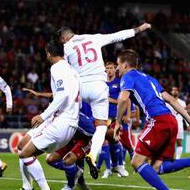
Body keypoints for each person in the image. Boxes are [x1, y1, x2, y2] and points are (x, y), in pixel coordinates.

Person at [57, 23, 152, 179]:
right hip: (98, 88)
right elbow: (118, 35)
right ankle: (93, 154)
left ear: (64, 38)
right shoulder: (94, 38)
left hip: (80, 88)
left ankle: (71, 153)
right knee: (101, 126)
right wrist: (139, 29)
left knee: (74, 119)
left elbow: (64, 70)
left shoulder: (66, 48)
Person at [4, 39, 80, 190]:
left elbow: (62, 96)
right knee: (22, 146)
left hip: (62, 122)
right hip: (64, 119)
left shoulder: (57, 68)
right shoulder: (72, 70)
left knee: (25, 154)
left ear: (48, 54)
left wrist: (43, 115)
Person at [114, 49, 190, 190]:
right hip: (171, 120)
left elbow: (123, 99)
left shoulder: (128, 77)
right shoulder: (150, 78)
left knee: (136, 162)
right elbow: (170, 99)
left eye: (118, 64)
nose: (116, 68)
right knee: (157, 167)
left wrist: (118, 122)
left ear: (126, 65)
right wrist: (188, 119)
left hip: (158, 121)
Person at [166, 86, 189, 159]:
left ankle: (177, 158)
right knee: (168, 142)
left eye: (176, 90)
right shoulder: (167, 102)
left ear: (178, 92)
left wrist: (187, 124)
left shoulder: (182, 102)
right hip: (169, 124)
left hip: (179, 124)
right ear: (171, 92)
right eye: (173, 90)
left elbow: (184, 113)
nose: (174, 91)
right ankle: (168, 157)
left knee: (179, 142)